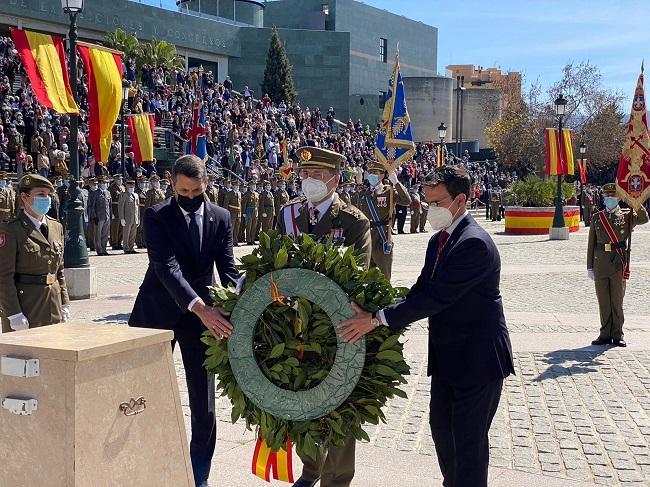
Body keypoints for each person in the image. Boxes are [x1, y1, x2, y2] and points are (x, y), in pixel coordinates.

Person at [338, 165, 515, 487]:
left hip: (477, 360)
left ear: (461, 199)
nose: (430, 209)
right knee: (442, 431)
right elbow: (420, 290)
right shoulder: (440, 241)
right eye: (427, 201)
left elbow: (437, 297)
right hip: (449, 357)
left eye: (436, 202)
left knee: (468, 442)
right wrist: (376, 309)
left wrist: (377, 320)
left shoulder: (473, 243)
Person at [129, 155, 238, 487]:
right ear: (172, 185)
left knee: (203, 404)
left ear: (206, 183)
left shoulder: (221, 217)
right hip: (158, 313)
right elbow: (166, 267)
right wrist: (199, 306)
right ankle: (146, 469)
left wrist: (249, 295)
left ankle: (197, 477)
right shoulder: (157, 216)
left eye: (196, 190)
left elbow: (229, 271)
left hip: (201, 321)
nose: (190, 197)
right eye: (183, 191)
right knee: (142, 397)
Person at [276, 146, 371, 487]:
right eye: (305, 175)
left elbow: (355, 274)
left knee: (339, 407)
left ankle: (337, 478)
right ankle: (311, 468)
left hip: (336, 329)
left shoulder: (353, 221)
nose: (308, 182)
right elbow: (273, 262)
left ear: (336, 179)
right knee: (300, 396)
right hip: (293, 327)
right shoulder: (288, 215)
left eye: (316, 176)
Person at [0, 174, 70, 333]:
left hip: (54, 305)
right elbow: (3, 276)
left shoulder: (55, 226)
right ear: (24, 197)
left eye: (48, 195)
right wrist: (13, 313)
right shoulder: (11, 229)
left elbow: (59, 270)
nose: (46, 199)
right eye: (40, 195)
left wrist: (65, 302)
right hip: (26, 307)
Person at [587, 183, 648, 347]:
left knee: (617, 301)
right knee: (603, 302)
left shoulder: (627, 216)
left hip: (618, 263)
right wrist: (589, 267)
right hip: (600, 264)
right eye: (607, 197)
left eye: (612, 197)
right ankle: (604, 333)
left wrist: (634, 201)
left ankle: (617, 334)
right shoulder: (597, 218)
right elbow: (591, 243)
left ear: (619, 198)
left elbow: (644, 218)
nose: (609, 199)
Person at [355, 161, 410, 280]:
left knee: (384, 277)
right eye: (370, 173)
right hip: (367, 238)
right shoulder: (364, 194)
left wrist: (396, 182)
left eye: (375, 172)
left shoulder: (388, 191)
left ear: (382, 175)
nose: (371, 175)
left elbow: (406, 201)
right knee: (366, 277)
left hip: (382, 238)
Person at [88, 176, 112, 256]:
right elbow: (92, 206)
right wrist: (94, 216)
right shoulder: (95, 193)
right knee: (98, 234)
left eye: (105, 182)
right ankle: (99, 250)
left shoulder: (108, 193)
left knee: (105, 234)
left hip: (107, 216)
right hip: (99, 216)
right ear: (99, 183)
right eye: (103, 182)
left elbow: (110, 206)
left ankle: (104, 249)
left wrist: (111, 215)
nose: (104, 184)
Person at [118, 179, 140, 254]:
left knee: (133, 234)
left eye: (133, 185)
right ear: (126, 186)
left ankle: (131, 248)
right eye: (130, 185)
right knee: (126, 234)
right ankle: (126, 248)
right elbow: (121, 207)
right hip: (127, 218)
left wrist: (138, 218)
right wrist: (122, 218)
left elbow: (138, 207)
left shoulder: (136, 195)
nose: (131, 186)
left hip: (135, 218)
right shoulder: (124, 195)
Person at [109, 174, 125, 250]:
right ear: (115, 180)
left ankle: (119, 242)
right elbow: (110, 201)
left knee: (121, 228)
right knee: (114, 228)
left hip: (122, 209)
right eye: (118, 179)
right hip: (115, 209)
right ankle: (114, 243)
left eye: (121, 179)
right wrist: (111, 212)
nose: (120, 181)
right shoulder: (111, 188)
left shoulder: (123, 187)